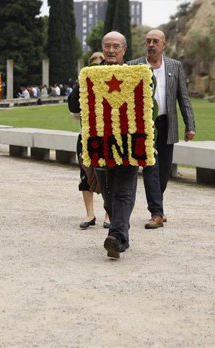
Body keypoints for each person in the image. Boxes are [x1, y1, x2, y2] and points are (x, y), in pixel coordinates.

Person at [129, 29, 196, 229]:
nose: (151, 44)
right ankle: (156, 213)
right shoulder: (134, 66)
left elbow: (183, 98)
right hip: (145, 125)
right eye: (148, 41)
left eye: (155, 41)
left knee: (164, 171)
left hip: (167, 124)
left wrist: (190, 125)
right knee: (151, 167)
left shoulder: (175, 67)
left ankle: (158, 205)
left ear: (163, 44)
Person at [92, 31, 151, 259]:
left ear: (124, 50)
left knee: (123, 191)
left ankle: (116, 237)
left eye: (116, 46)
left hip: (129, 143)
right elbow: (74, 104)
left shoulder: (138, 75)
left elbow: (150, 105)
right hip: (99, 144)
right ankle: (120, 235)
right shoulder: (91, 74)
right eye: (107, 46)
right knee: (108, 194)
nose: (111, 50)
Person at [68, 51, 110, 230]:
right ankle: (90, 213)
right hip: (86, 135)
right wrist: (83, 80)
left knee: (108, 177)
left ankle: (109, 214)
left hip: (107, 136)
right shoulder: (83, 85)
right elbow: (72, 106)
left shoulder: (111, 84)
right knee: (85, 175)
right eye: (93, 65)